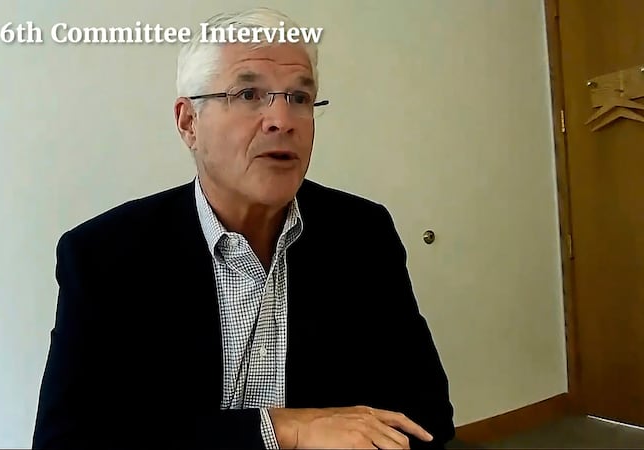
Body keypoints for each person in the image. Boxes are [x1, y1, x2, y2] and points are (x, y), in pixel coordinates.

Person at [32, 7, 455, 450]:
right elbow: (69, 441)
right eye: (249, 94)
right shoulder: (104, 256)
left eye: (299, 98)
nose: (282, 120)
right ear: (188, 122)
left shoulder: (362, 234)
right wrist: (282, 429)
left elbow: (426, 415)